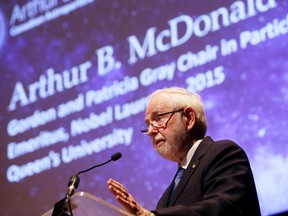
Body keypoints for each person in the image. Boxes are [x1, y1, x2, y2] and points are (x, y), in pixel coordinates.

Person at [107, 87, 261, 216]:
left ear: (189, 118)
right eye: (148, 124)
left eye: (158, 118)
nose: (150, 131)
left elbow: (225, 208)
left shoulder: (223, 154)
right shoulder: (165, 199)